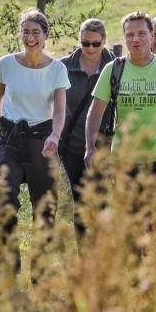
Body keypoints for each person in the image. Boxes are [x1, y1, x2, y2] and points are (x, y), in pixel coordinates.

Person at [0, 8, 71, 277]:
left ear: (46, 35)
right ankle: (8, 269)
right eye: (26, 32)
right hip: (9, 140)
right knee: (4, 201)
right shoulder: (6, 64)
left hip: (43, 142)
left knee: (44, 207)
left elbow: (60, 111)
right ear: (20, 34)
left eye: (36, 32)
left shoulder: (57, 70)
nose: (30, 37)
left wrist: (55, 136)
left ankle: (40, 272)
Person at [84, 12, 156, 174]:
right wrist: (90, 147)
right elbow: (95, 112)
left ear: (151, 36)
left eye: (141, 33)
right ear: (124, 38)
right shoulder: (113, 70)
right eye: (130, 34)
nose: (135, 39)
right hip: (124, 162)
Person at [59, 18, 115, 240]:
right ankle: (85, 258)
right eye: (86, 43)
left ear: (104, 41)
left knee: (100, 200)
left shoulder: (116, 67)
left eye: (96, 43)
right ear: (79, 41)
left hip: (105, 147)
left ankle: (101, 256)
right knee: (80, 202)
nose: (91, 48)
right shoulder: (63, 67)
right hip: (72, 147)